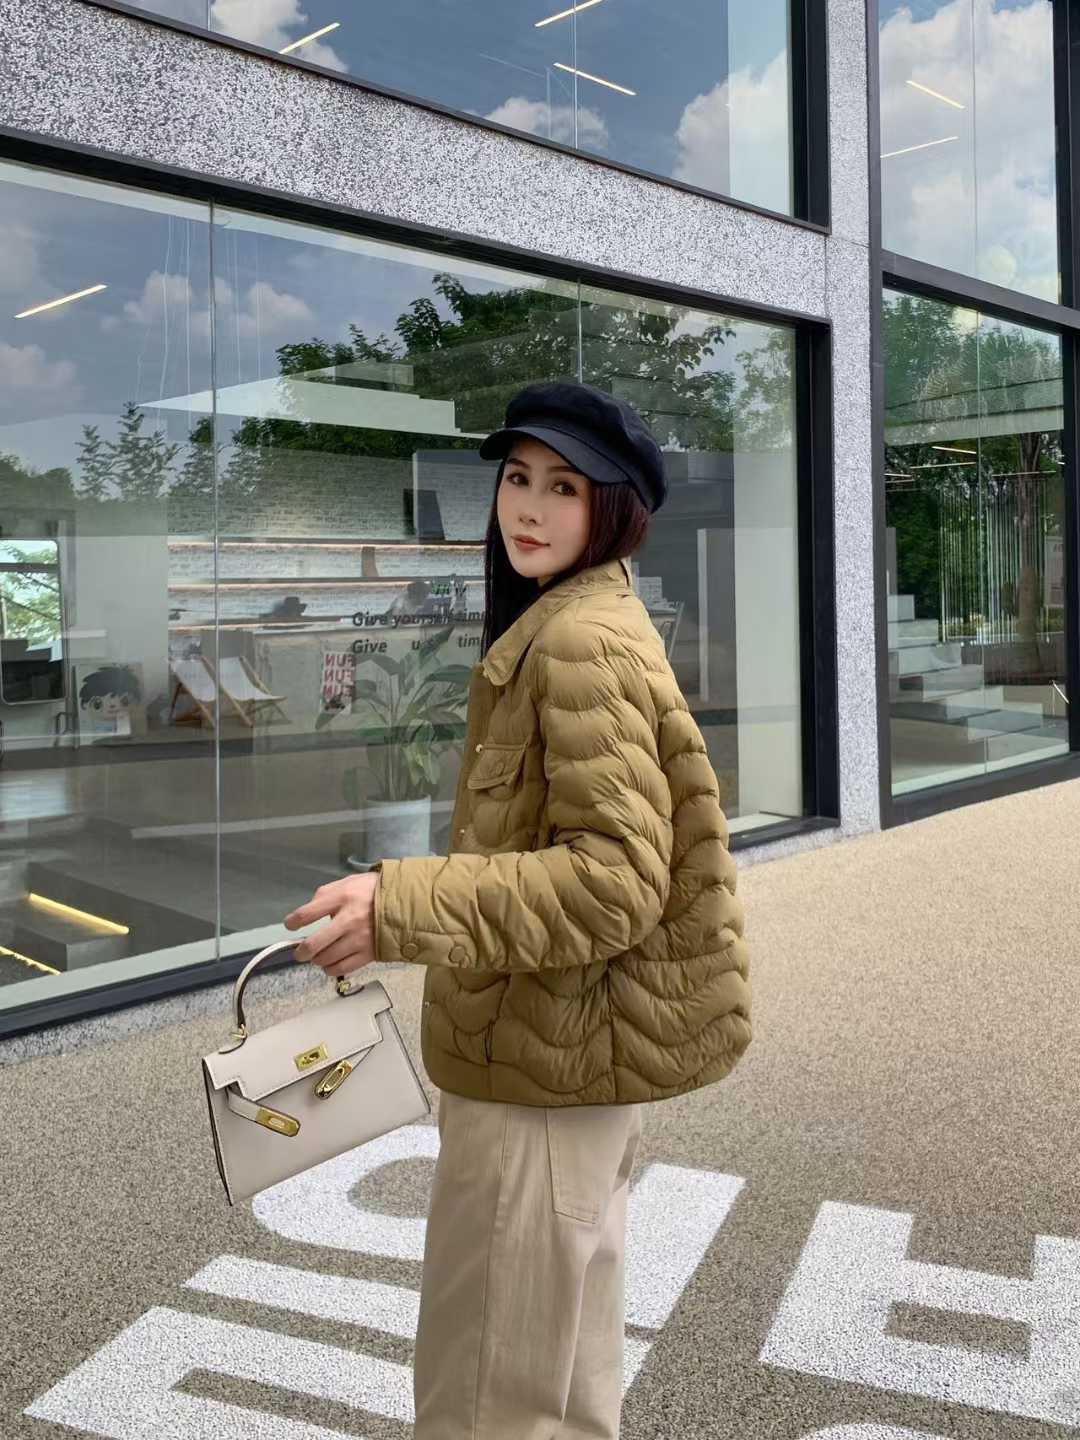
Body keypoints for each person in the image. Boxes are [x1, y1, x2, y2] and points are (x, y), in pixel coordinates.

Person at [283, 379, 751, 1440]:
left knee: (488, 1391)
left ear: (613, 509)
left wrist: (399, 904)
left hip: (541, 1062)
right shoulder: (578, 618)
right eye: (518, 478)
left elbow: (613, 879)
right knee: (560, 1380)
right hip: (563, 1053)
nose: (528, 508)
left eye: (565, 488)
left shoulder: (579, 641)